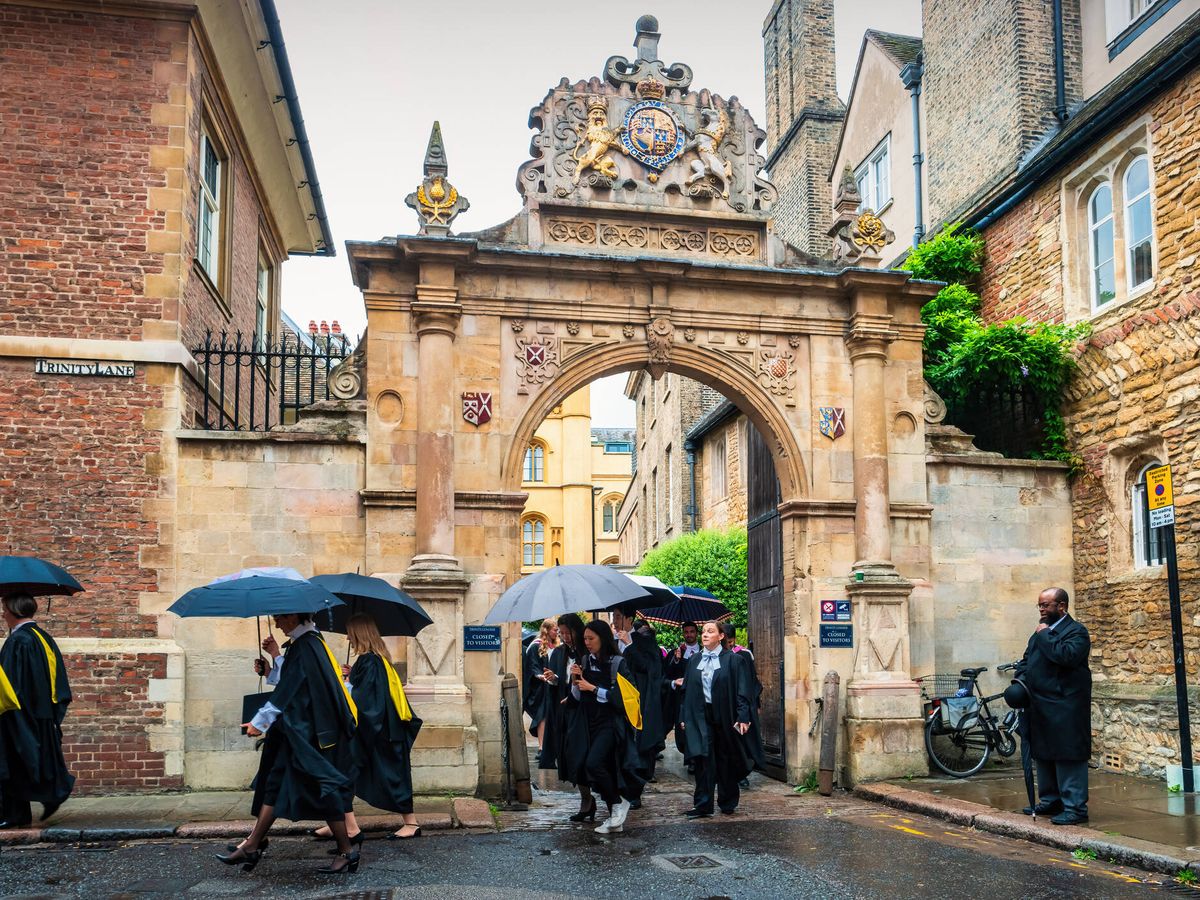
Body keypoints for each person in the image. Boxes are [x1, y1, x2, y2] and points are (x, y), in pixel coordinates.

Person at [218, 611, 360, 874]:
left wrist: (260, 721)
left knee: (324, 791)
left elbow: (291, 687)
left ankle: (347, 850)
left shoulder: (307, 645)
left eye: (280, 618)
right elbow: (293, 681)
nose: (277, 624)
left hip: (309, 736)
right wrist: (271, 668)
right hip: (297, 733)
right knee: (274, 784)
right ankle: (253, 843)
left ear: (294, 616)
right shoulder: (306, 645)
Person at [1017, 587, 1092, 826]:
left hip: (1066, 706)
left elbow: (1066, 656)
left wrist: (1046, 635)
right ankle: (1051, 800)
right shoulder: (1039, 633)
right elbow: (1027, 660)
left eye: (1046, 605)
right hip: (1040, 705)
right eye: (1039, 605)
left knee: (1067, 755)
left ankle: (1075, 807)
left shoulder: (1076, 632)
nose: (1041, 609)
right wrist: (1019, 681)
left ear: (1062, 606)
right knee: (1044, 754)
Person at [0, 594, 74, 829]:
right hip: (41, 712)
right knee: (33, 759)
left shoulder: (19, 640)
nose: (2, 614)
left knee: (13, 761)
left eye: (4, 609)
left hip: (19, 713)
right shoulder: (42, 637)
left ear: (13, 611)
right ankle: (46, 797)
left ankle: (17, 813)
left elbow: (11, 683)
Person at [675, 621, 758, 818]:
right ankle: (703, 804)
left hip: (725, 714)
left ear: (721, 636)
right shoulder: (695, 660)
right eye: (703, 631)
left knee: (725, 757)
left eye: (710, 631)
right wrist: (684, 716)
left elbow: (743, 691)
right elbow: (686, 691)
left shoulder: (734, 660)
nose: (704, 635)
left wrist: (743, 716)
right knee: (703, 758)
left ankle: (727, 800)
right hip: (700, 715)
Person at [570, 619, 644, 834]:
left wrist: (592, 688)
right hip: (588, 722)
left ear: (602, 638)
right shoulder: (583, 660)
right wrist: (575, 679)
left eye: (591, 638)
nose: (587, 642)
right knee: (593, 767)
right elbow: (576, 695)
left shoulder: (617, 663)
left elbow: (624, 698)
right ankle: (615, 818)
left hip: (611, 723)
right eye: (585, 638)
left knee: (595, 764)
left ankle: (619, 802)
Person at [539, 613, 595, 823]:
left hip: (586, 712)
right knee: (572, 758)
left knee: (586, 757)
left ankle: (602, 799)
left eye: (568, 632)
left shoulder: (587, 652)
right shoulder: (559, 653)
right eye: (561, 633)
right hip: (566, 712)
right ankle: (586, 800)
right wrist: (554, 679)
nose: (565, 636)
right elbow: (558, 683)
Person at [612, 608, 665, 787]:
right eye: (613, 616)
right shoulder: (611, 641)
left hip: (640, 697)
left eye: (618, 616)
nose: (615, 620)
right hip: (617, 697)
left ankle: (637, 783)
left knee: (641, 742)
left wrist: (629, 645)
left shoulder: (644, 640)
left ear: (629, 619)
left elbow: (650, 669)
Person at [721, 622, 764, 789]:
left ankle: (742, 773)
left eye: (731, 642)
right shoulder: (716, 656)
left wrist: (756, 704)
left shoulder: (744, 654)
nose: (729, 645)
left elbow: (752, 680)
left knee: (744, 740)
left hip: (744, 704)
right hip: (725, 705)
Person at [664, 621, 701, 769]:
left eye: (692, 631)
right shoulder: (676, 652)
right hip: (681, 696)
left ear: (696, 633)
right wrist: (676, 660)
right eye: (686, 632)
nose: (689, 635)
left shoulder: (704, 651)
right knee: (682, 727)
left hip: (699, 696)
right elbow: (667, 674)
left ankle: (696, 758)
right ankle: (689, 756)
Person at [524, 619, 558, 749]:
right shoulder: (535, 646)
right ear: (547, 630)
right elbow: (532, 666)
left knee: (553, 715)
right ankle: (541, 747)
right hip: (542, 688)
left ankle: (551, 745)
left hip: (555, 684)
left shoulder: (557, 646)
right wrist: (542, 676)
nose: (557, 633)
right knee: (542, 715)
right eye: (555, 630)